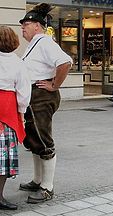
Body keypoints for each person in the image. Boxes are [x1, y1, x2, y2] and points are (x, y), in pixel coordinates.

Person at [19, 3, 73, 203]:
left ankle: (47, 187)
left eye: (27, 23)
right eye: (23, 24)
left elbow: (65, 62)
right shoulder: (35, 43)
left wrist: (54, 85)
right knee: (34, 140)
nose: (23, 27)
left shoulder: (44, 42)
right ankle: (37, 179)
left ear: (38, 26)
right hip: (34, 96)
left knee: (43, 140)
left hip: (41, 96)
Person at [0, 26, 31, 210]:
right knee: (2, 157)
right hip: (7, 109)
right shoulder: (18, 63)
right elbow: (24, 93)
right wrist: (22, 112)